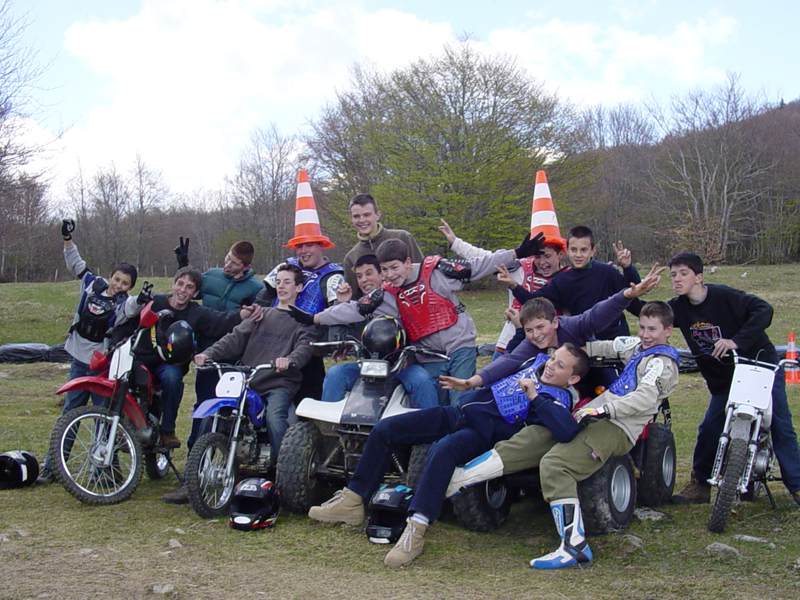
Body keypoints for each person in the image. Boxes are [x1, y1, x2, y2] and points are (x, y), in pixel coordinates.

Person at [306, 343, 589, 568]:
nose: (552, 365)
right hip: (459, 413)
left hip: (483, 433)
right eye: (553, 358)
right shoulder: (535, 361)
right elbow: (523, 347)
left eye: (560, 365)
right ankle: (353, 500)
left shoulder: (557, 397)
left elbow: (565, 430)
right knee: (385, 429)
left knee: (443, 451)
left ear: (573, 377)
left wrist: (534, 397)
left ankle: (415, 530)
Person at [446, 301, 680, 569]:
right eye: (642, 327)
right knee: (535, 436)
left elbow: (645, 399)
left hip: (617, 426)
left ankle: (575, 546)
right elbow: (600, 348)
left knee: (556, 464)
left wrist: (606, 408)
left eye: (652, 329)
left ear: (668, 330)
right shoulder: (636, 347)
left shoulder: (662, 364)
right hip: (593, 414)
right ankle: (457, 481)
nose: (645, 334)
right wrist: (563, 352)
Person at [290, 233, 548, 407]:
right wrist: (315, 317)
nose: (390, 275)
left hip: (460, 346)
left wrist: (516, 252)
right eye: (385, 270)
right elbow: (356, 309)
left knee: (460, 401)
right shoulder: (386, 294)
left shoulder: (438, 271)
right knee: (433, 401)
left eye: (394, 268)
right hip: (428, 354)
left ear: (407, 262)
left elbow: (480, 265)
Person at [667, 252, 800, 506]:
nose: (677, 279)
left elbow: (764, 310)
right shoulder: (678, 308)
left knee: (781, 425)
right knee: (709, 428)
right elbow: (650, 313)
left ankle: (796, 484)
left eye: (683, 273)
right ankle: (700, 484)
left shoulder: (724, 296)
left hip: (760, 366)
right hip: (725, 380)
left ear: (699, 277)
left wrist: (736, 341)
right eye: (673, 275)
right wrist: (629, 276)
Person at [38, 219, 147, 484]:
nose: (119, 284)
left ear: (129, 287)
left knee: (102, 417)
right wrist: (67, 238)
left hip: (102, 366)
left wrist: (142, 298)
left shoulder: (124, 303)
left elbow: (134, 307)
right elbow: (75, 262)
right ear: (110, 276)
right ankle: (53, 467)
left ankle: (102, 469)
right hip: (78, 359)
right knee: (70, 413)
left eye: (125, 283)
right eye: (117, 279)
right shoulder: (92, 283)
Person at [153, 268, 261, 503]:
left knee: (172, 379)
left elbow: (220, 320)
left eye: (189, 287)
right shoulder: (156, 302)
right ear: (173, 284)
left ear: (195, 292)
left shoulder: (197, 313)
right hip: (145, 359)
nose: (183, 290)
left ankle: (168, 430)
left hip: (171, 365)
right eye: (180, 284)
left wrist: (242, 314)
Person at [193, 262, 317, 468]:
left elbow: (304, 348)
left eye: (287, 282)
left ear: (299, 288)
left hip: (278, 383)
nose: (282, 286)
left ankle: (283, 472)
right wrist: (208, 353)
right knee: (214, 415)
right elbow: (234, 338)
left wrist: (290, 360)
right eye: (278, 282)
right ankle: (203, 467)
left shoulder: (304, 321)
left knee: (275, 419)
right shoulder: (260, 315)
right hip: (248, 379)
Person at [174, 238, 263, 449]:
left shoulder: (254, 288)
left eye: (234, 263)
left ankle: (223, 448)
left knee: (227, 405)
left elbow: (255, 317)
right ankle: (195, 449)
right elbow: (189, 289)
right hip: (206, 348)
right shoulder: (212, 276)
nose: (227, 264)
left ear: (245, 267)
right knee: (203, 401)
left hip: (233, 351)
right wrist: (184, 265)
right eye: (227, 258)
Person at [438, 218, 568, 356]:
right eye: (537, 256)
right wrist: (456, 242)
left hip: (550, 346)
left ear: (560, 254)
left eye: (547, 256)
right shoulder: (520, 267)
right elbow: (487, 259)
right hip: (511, 341)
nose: (542, 262)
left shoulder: (569, 278)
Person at [507, 225, 642, 340]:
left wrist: (628, 267)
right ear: (567, 250)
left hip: (615, 339)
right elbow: (535, 301)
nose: (578, 255)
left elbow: (633, 292)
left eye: (583, 250)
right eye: (574, 250)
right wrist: (514, 285)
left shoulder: (607, 272)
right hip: (585, 342)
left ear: (592, 251)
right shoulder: (561, 281)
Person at [343, 194, 423, 300]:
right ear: (351, 219)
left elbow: (423, 273)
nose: (362, 220)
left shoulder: (402, 237)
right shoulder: (351, 258)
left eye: (367, 215)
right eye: (356, 216)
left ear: (378, 215)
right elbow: (354, 300)